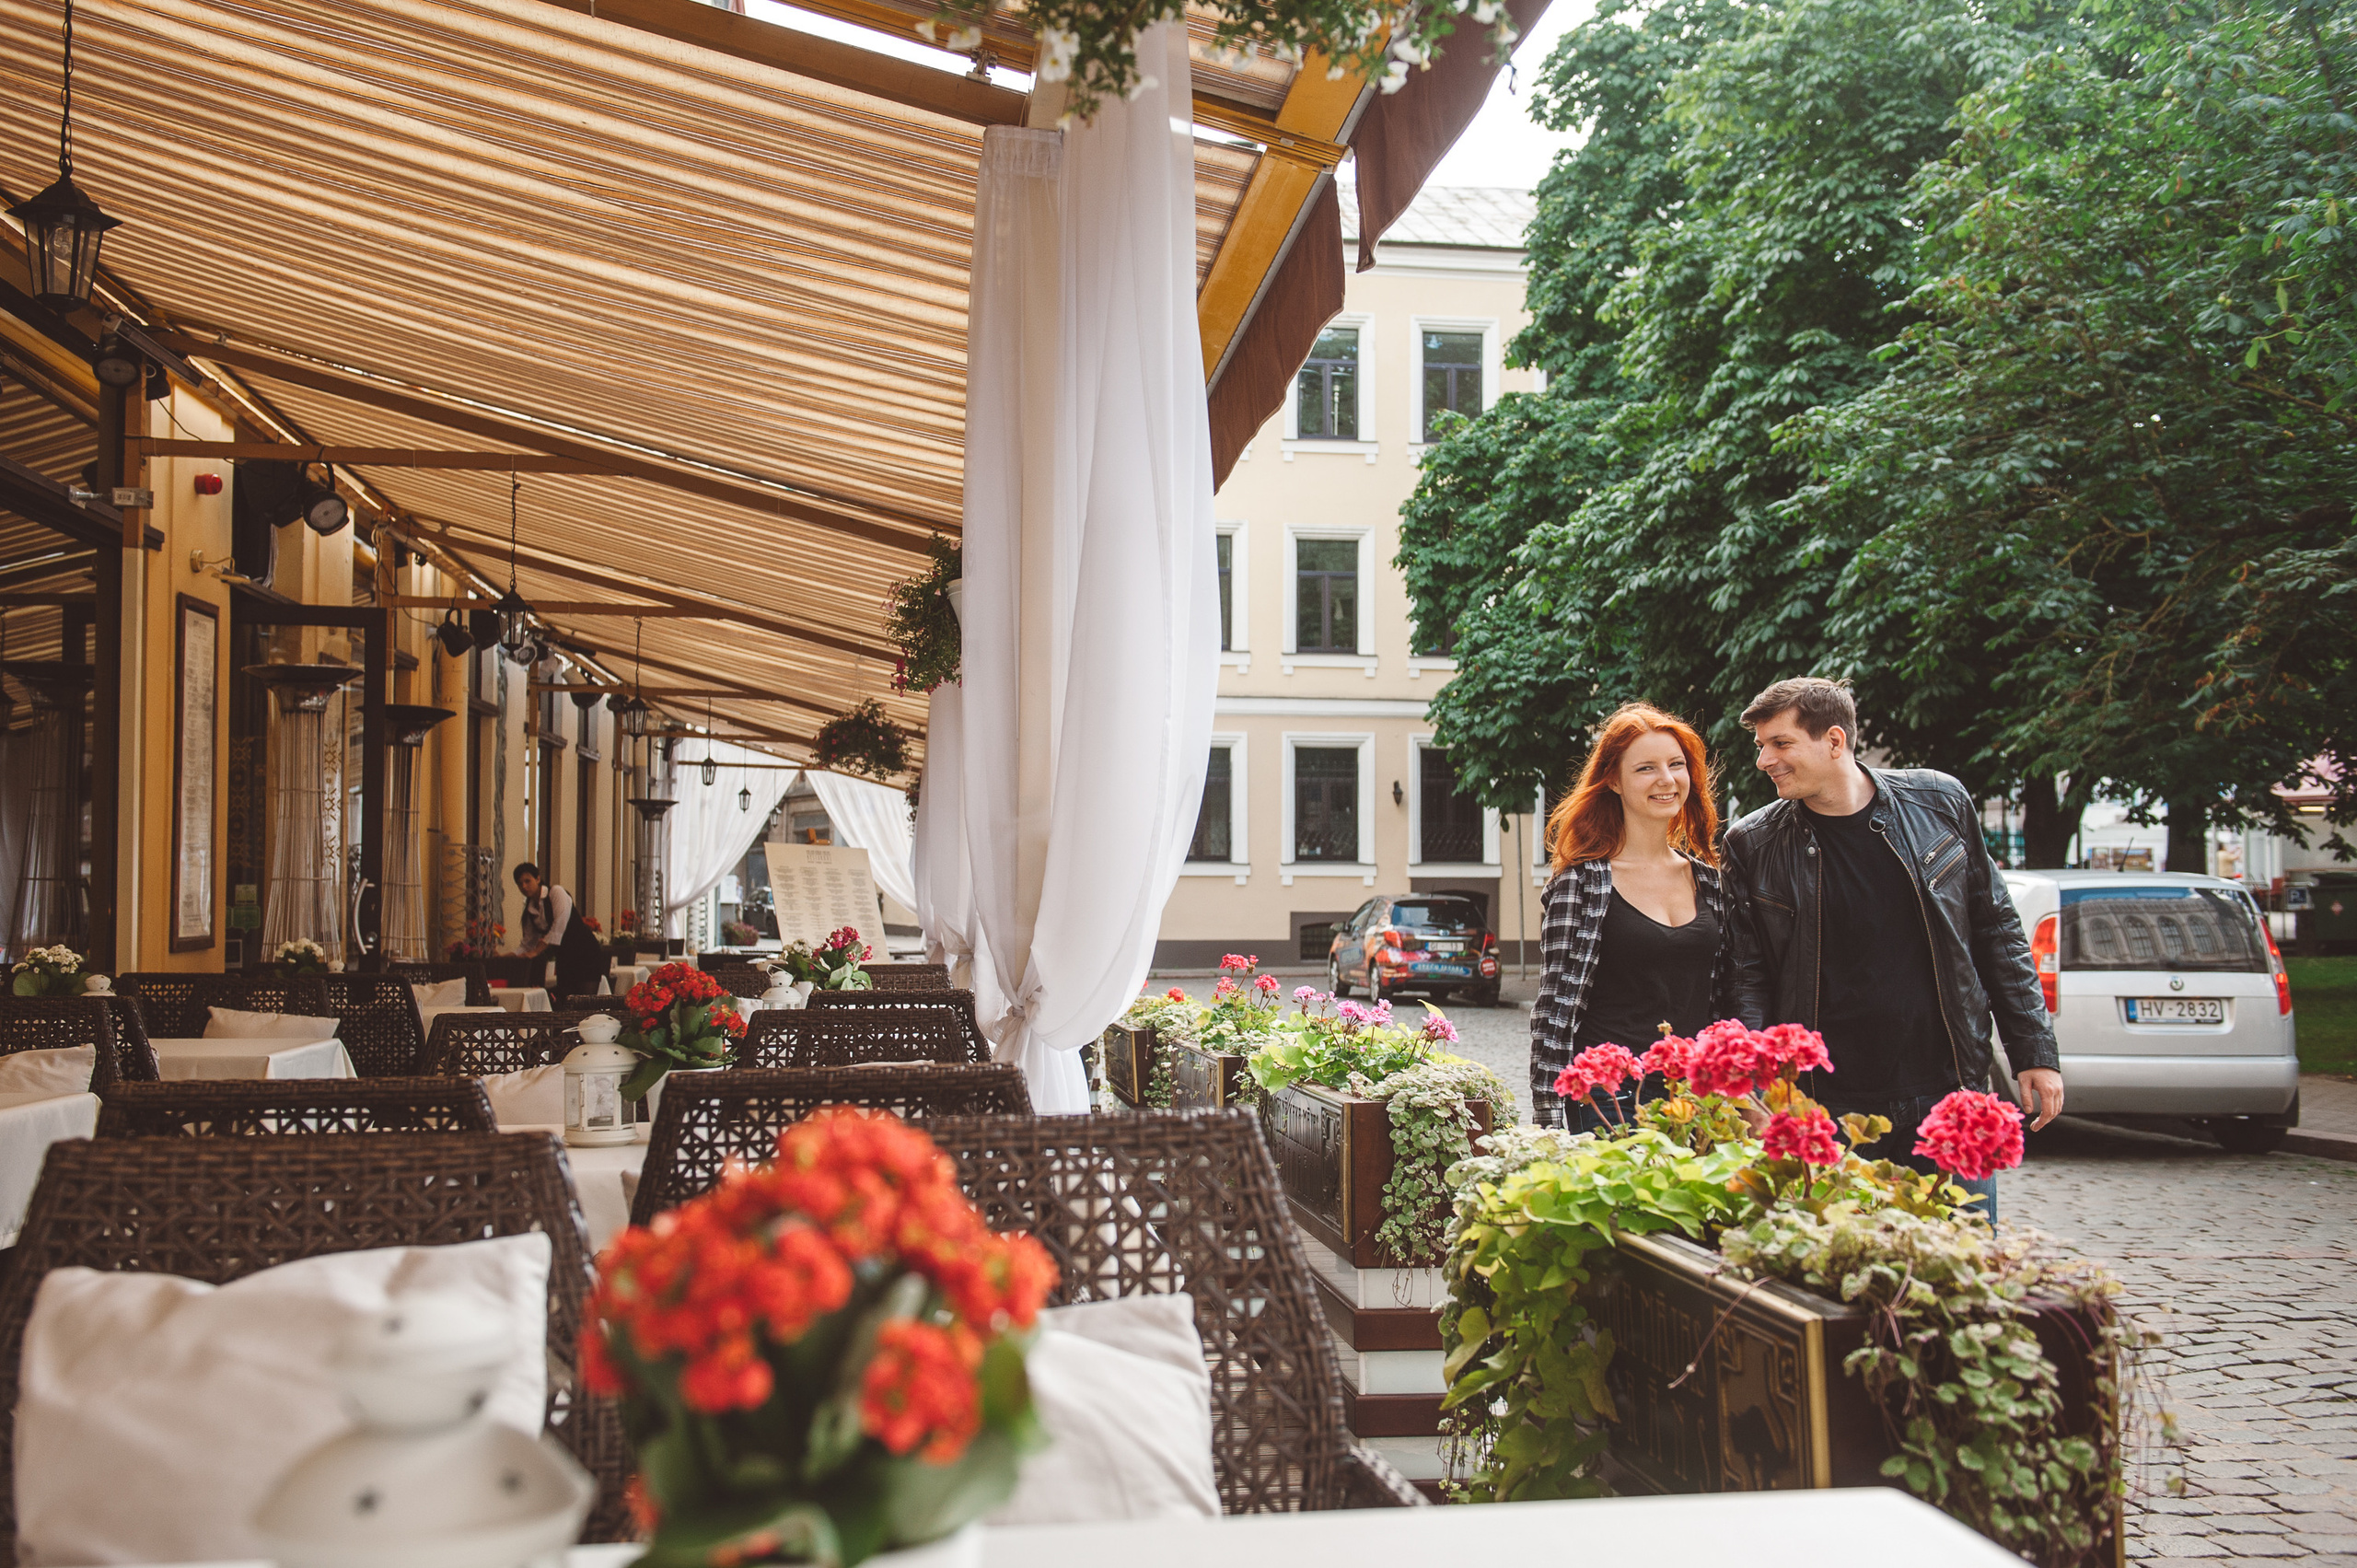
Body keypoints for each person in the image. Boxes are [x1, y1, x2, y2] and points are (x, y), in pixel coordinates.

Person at [1722, 677, 2065, 1218]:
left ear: (1835, 741)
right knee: (1838, 1271)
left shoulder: (1940, 802)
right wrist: (1759, 1087)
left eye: (1780, 743)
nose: (1765, 759)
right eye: (1760, 746)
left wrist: (2034, 1053)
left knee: (1963, 1267)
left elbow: (1996, 929)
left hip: (1947, 1088)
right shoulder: (1753, 843)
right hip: (1824, 1103)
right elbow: (1749, 976)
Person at [1530, 703, 1730, 1131]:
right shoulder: (1581, 883)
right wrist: (1547, 1117)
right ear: (1614, 782)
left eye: (1677, 764)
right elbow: (1554, 1007)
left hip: (1694, 1093)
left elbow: (1720, 996)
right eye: (1646, 769)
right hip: (1609, 1095)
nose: (1667, 779)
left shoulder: (1710, 880)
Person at [514, 862, 606, 999]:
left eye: (527, 881)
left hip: (585, 953)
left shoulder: (556, 892)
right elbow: (527, 944)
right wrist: (508, 956)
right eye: (520, 883)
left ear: (538, 879)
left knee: (586, 1002)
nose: (524, 886)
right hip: (565, 959)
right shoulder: (530, 910)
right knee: (566, 1003)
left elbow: (558, 928)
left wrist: (535, 952)